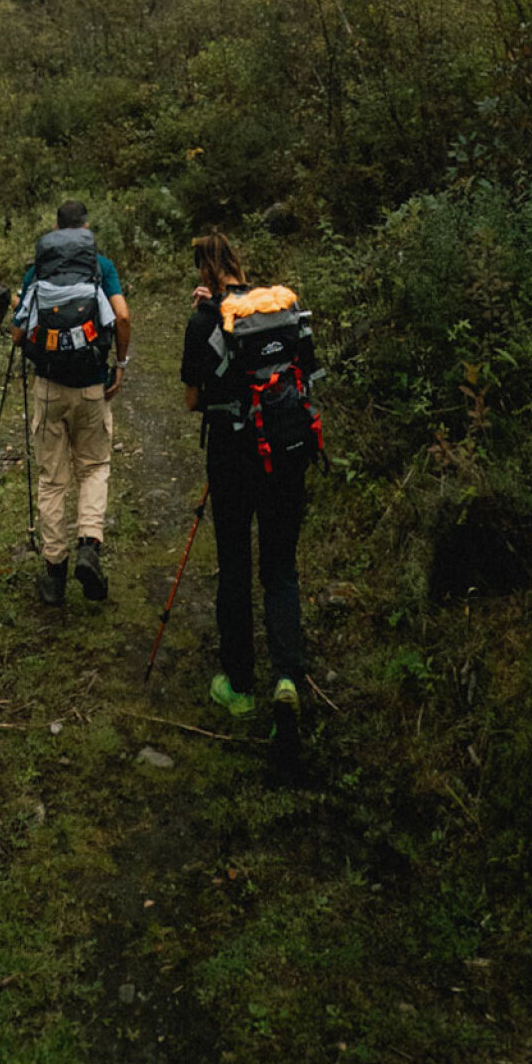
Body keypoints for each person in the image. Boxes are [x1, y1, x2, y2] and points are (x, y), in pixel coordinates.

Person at [179, 228, 316, 752]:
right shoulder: (284, 307)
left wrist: (205, 321)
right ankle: (287, 678)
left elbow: (193, 401)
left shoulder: (204, 321)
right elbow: (306, 373)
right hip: (286, 453)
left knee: (235, 566)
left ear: (203, 273)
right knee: (280, 568)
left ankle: (238, 686)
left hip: (233, 460)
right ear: (238, 264)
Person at [12, 198, 130, 606]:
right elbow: (123, 316)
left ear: (57, 229)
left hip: (48, 387)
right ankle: (89, 547)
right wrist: (120, 363)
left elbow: (16, 334)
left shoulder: (37, 270)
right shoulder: (102, 266)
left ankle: (54, 571)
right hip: (92, 385)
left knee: (52, 479)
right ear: (85, 228)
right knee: (94, 467)